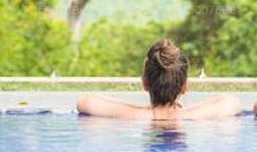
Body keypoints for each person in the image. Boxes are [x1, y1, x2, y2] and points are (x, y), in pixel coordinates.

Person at [76, 40, 242, 120]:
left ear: (144, 83)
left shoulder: (134, 115)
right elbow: (231, 101)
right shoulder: (192, 116)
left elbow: (85, 101)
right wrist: (185, 110)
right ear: (184, 87)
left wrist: (140, 108)